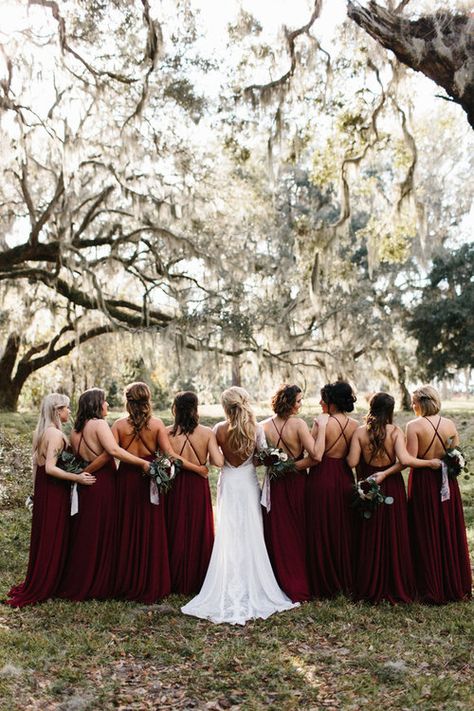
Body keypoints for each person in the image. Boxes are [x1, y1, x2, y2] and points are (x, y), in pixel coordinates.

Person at [181, 386, 299, 625]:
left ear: (226, 407)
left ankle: (229, 578)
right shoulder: (255, 429)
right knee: (250, 530)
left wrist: (228, 460)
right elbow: (261, 459)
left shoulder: (218, 429)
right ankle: (253, 580)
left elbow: (217, 461)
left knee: (229, 531)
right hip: (246, 483)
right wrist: (249, 459)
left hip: (230, 483)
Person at [112, 384, 209, 602]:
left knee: (126, 526)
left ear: (128, 401)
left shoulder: (118, 425)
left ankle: (125, 580)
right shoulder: (156, 425)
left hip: (126, 478)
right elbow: (171, 455)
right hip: (149, 478)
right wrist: (199, 469)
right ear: (148, 400)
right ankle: (150, 580)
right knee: (150, 527)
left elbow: (112, 451)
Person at [57, 387, 151, 601]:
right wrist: (143, 463)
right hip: (104, 483)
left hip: (85, 486)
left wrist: (84, 471)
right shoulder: (99, 425)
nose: (107, 405)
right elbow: (114, 452)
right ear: (96, 404)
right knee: (105, 531)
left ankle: (82, 579)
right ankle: (101, 583)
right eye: (105, 401)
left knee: (88, 532)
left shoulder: (76, 429)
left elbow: (85, 458)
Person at [347, 392, 441, 604]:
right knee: (395, 533)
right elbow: (405, 460)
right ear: (390, 411)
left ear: (371, 407)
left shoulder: (360, 432)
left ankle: (369, 584)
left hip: (368, 484)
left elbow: (352, 461)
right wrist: (387, 472)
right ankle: (397, 583)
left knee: (369, 534)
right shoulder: (395, 431)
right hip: (391, 486)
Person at [6, 394, 96, 607]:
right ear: (57, 410)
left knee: (47, 534)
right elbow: (50, 468)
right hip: (53, 490)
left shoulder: (43, 431)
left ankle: (46, 577)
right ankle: (47, 582)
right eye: (67, 408)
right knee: (54, 535)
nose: (70, 412)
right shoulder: (54, 434)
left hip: (45, 490)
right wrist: (78, 477)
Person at [260, 384, 328, 602]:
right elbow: (316, 456)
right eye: (298, 400)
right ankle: (298, 581)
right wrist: (322, 428)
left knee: (278, 532)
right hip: (297, 483)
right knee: (297, 532)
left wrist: (278, 468)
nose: (301, 404)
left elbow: (258, 459)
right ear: (289, 402)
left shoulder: (263, 426)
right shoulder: (298, 425)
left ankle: (277, 580)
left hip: (274, 484)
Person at [406, 386, 471, 603]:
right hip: (447, 482)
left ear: (421, 403)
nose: (412, 405)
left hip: (424, 481)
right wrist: (443, 462)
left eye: (413, 402)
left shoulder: (414, 426)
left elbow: (410, 460)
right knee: (446, 527)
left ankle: (429, 585)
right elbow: (456, 455)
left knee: (425, 529)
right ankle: (452, 583)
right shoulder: (450, 424)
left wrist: (429, 463)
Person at [304, 381, 359, 598]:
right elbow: (353, 458)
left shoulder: (322, 422)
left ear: (331, 402)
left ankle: (321, 579)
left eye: (323, 399)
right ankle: (345, 578)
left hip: (321, 476)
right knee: (342, 527)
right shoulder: (355, 425)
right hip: (345, 477)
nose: (320, 402)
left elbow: (311, 453)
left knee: (320, 527)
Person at [166, 391, 223, 595]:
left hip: (175, 483)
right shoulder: (207, 432)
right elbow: (217, 462)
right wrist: (200, 467)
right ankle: (199, 579)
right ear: (195, 409)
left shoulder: (167, 433)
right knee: (198, 528)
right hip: (198, 483)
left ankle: (174, 578)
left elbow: (168, 458)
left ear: (175, 409)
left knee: (176, 526)